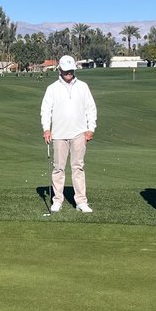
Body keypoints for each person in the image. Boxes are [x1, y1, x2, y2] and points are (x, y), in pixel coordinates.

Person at [41, 55, 98, 213]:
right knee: (58, 168)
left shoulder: (83, 86)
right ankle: (57, 200)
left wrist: (90, 129)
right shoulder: (52, 89)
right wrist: (46, 129)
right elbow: (46, 111)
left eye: (71, 71)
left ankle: (81, 201)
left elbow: (90, 109)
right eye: (66, 71)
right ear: (59, 70)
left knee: (78, 167)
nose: (68, 74)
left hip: (79, 133)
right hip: (58, 134)